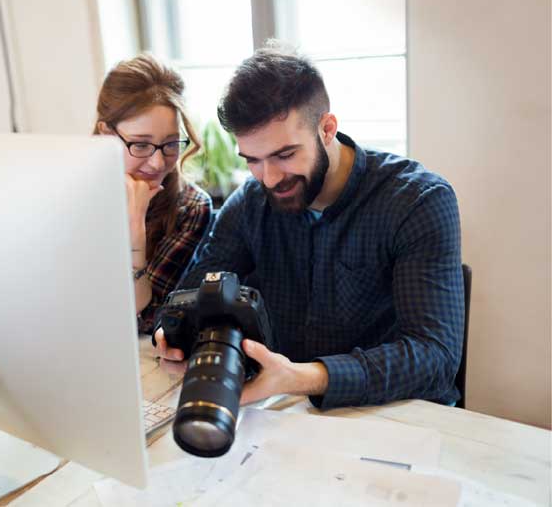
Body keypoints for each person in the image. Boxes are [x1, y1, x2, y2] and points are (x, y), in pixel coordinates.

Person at [154, 48, 464, 409]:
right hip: (287, 413)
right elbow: (182, 301)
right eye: (253, 160)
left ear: (327, 129)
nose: (269, 178)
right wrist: (174, 336)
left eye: (285, 155)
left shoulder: (417, 202)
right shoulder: (251, 203)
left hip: (399, 415)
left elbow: (436, 357)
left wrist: (304, 377)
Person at [94, 54, 212, 332]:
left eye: (171, 144)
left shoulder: (191, 207)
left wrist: (135, 233)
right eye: (141, 144)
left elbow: (145, 318)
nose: (158, 163)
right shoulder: (73, 192)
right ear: (106, 134)